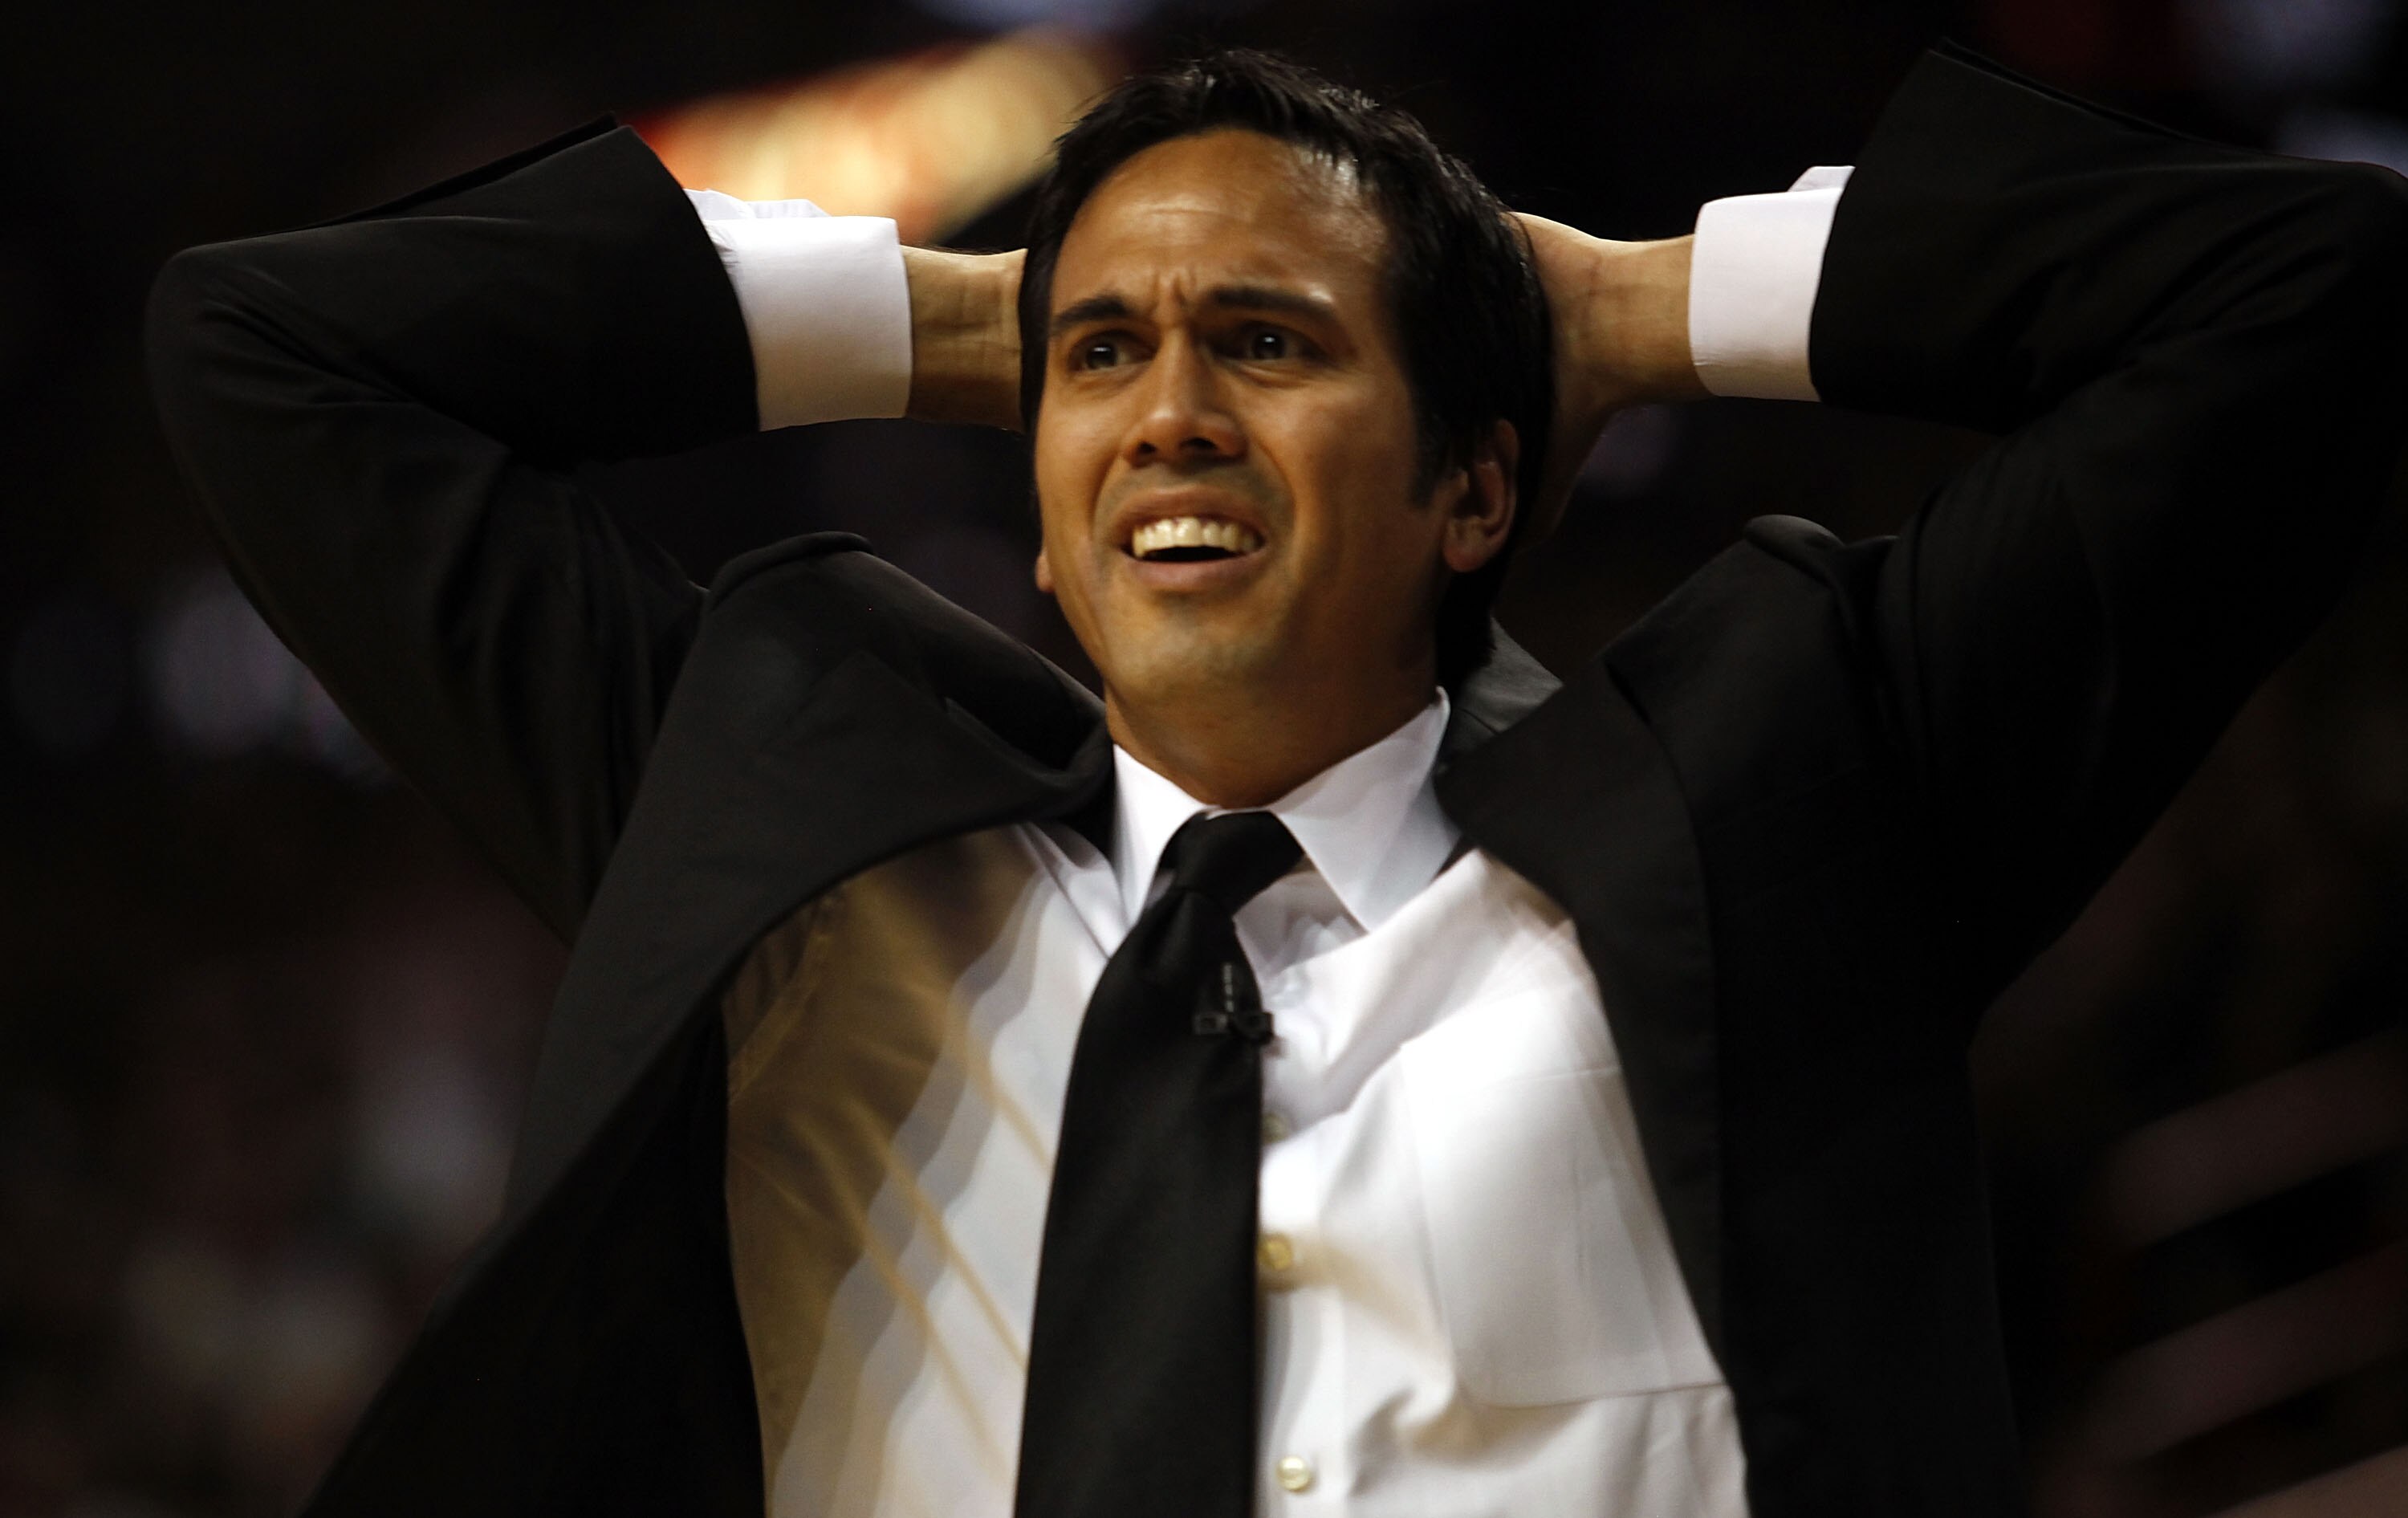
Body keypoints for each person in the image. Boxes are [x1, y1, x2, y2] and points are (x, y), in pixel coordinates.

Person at [144, 41, 2408, 1518]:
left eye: (1276, 341)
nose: (1172, 409)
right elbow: (269, 353)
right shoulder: (779, 814)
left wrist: (1637, 301)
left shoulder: (1789, 779)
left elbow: (2308, 299)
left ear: (1473, 489)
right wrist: (967, 320)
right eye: (1107, 357)